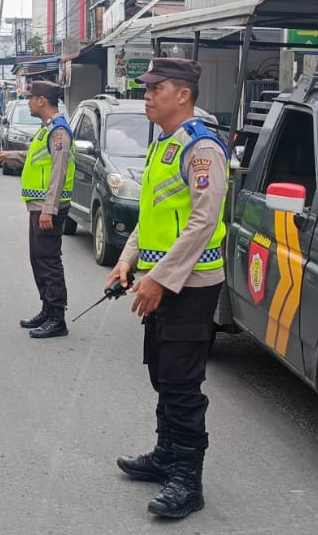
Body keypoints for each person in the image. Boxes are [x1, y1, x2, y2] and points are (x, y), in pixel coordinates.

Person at [105, 57, 227, 520]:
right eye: (147, 88)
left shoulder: (202, 148)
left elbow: (202, 223)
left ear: (184, 95)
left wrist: (158, 279)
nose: (147, 95)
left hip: (190, 287)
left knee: (181, 384)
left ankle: (187, 481)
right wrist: (126, 260)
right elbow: (151, 214)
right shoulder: (164, 144)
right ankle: (165, 457)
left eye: (157, 88)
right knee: (161, 372)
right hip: (160, 281)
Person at [0, 81, 75, 340]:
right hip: (38, 205)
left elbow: (58, 171)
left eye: (31, 98)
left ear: (42, 100)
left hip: (48, 207)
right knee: (38, 258)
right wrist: (10, 156)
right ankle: (46, 308)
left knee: (49, 261)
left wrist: (49, 210)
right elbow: (35, 156)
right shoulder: (46, 130)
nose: (28, 102)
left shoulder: (59, 131)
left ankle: (57, 317)